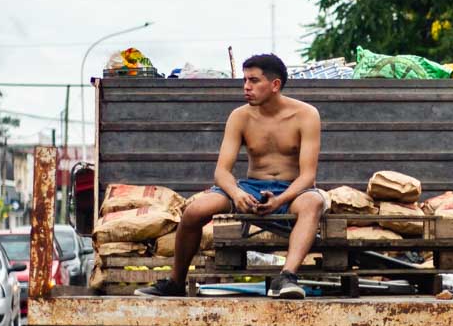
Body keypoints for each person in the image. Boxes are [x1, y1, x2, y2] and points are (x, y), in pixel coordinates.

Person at [135, 53, 326, 299]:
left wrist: (280, 200)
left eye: (254, 81)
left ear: (275, 85)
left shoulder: (307, 115)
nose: (246, 87)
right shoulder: (240, 116)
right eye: (245, 80)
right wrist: (237, 193)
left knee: (314, 202)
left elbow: (308, 175)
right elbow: (221, 172)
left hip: (291, 189)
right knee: (194, 210)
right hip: (250, 187)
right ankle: (176, 281)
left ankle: (287, 277)